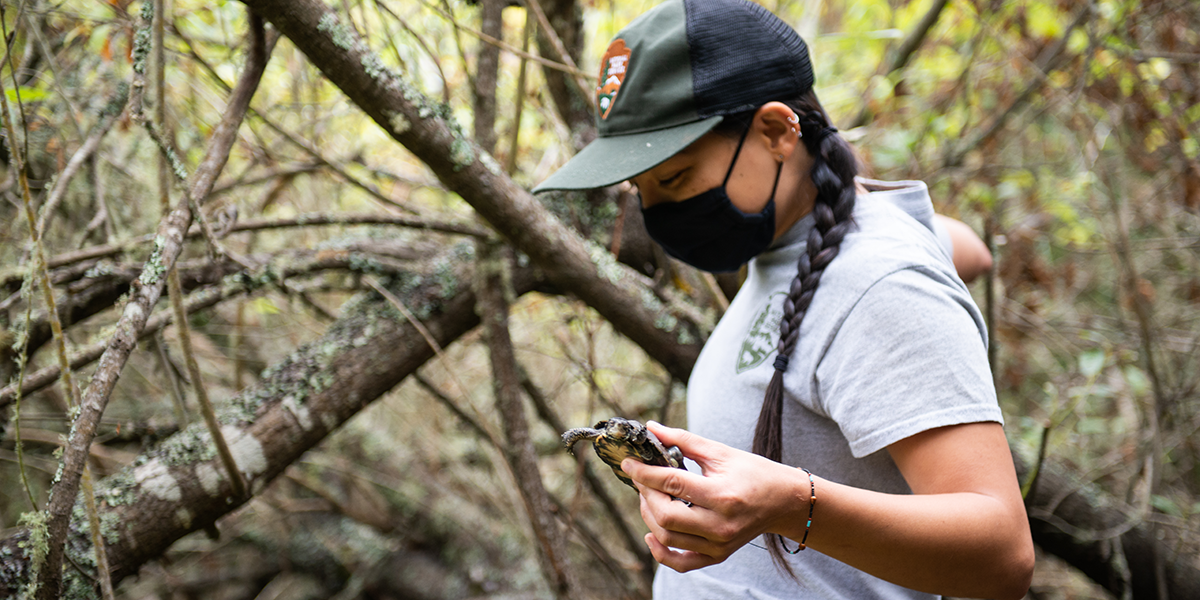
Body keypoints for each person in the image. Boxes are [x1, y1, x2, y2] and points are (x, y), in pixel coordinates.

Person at [533, 1, 1033, 599]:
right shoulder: (797, 246)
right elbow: (970, 250)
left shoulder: (882, 283)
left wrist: (792, 505)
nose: (658, 211)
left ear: (775, 131)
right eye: (641, 188)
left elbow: (1001, 557)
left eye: (673, 179)